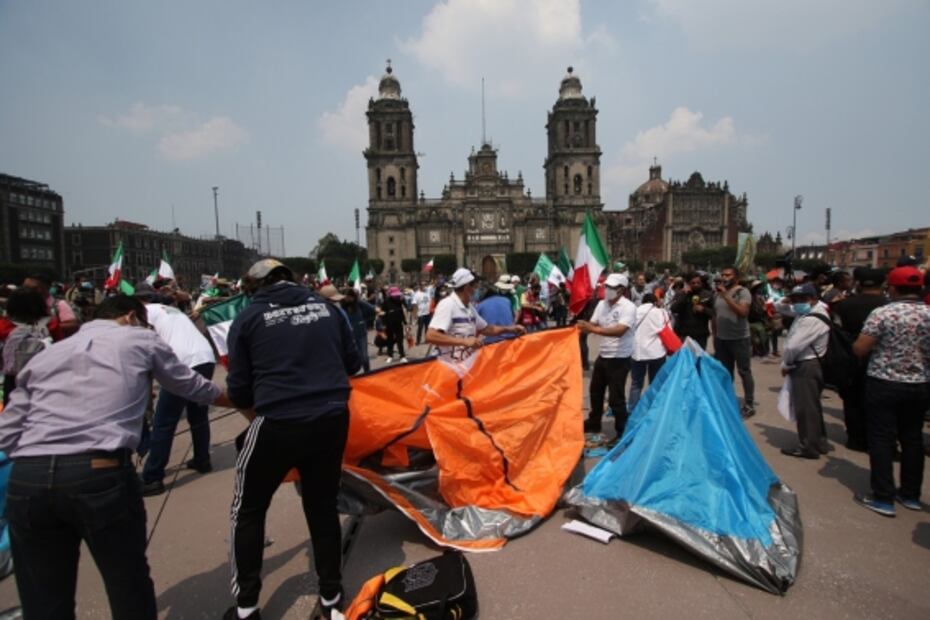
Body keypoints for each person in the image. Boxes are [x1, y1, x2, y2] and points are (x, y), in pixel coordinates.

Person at [0, 295, 228, 620]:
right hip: (99, 473)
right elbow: (190, 385)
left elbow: (8, 430)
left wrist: (39, 461)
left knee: (44, 598)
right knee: (126, 582)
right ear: (131, 317)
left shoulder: (48, 354)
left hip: (28, 479)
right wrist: (239, 401)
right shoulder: (140, 339)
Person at [224, 259, 361, 619]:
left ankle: (246, 607)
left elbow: (239, 390)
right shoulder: (329, 310)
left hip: (278, 421)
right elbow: (353, 364)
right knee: (322, 507)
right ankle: (331, 598)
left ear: (255, 286)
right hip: (331, 418)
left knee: (247, 510)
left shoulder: (248, 318)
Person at [852, 266, 930, 517]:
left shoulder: (883, 313)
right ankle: (910, 494)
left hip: (884, 382)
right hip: (919, 384)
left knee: (882, 439)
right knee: (913, 438)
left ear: (893, 289)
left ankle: (883, 497)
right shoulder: (928, 314)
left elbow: (861, 347)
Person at [139, 290, 219, 495]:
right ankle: (202, 459)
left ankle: (153, 477)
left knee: (164, 422)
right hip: (205, 357)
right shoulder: (172, 310)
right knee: (198, 414)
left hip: (181, 363)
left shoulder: (143, 312)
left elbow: (142, 346)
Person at [831, 268, 888, 451]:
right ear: (883, 284)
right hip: (882, 362)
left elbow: (836, 331)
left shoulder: (844, 305)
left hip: (851, 358)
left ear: (858, 283)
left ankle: (856, 439)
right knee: (880, 405)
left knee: (852, 401)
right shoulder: (888, 305)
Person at [577, 273, 636, 440]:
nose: (608, 290)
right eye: (607, 286)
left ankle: (621, 430)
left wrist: (593, 329)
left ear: (621, 290)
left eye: (612, 287)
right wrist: (581, 327)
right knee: (595, 391)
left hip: (620, 358)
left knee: (616, 398)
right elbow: (593, 323)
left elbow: (620, 330)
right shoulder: (602, 304)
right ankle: (594, 422)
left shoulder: (628, 307)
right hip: (604, 355)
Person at [426, 268, 524, 368]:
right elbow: (431, 336)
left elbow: (487, 329)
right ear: (467, 286)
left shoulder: (469, 308)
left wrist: (510, 329)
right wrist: (464, 341)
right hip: (448, 368)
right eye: (475, 286)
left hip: (464, 367)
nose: (476, 289)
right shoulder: (448, 304)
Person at [778, 284, 832, 459]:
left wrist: (786, 364)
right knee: (812, 406)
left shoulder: (812, 318)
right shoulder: (809, 311)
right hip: (809, 363)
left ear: (813, 298)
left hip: (806, 365)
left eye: (802, 299)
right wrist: (787, 299)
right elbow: (779, 307)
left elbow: (793, 346)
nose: (797, 303)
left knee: (805, 408)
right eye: (795, 300)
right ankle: (818, 442)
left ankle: (808, 446)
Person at [713, 266, 756, 418]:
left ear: (736, 277)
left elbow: (743, 312)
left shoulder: (742, 292)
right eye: (723, 274)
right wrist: (715, 335)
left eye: (728, 275)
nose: (724, 277)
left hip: (739, 339)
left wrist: (726, 297)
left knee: (744, 371)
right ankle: (727, 401)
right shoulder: (718, 294)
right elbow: (715, 315)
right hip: (722, 339)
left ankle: (749, 404)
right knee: (725, 372)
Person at [628, 292, 669, 411]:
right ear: (655, 302)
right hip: (657, 352)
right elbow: (668, 330)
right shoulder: (662, 312)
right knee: (655, 382)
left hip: (637, 352)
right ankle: (652, 409)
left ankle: (633, 409)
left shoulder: (635, 312)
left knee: (636, 383)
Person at [23, 274, 79, 340]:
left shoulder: (59, 305)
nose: (27, 291)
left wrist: (47, 328)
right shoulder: (24, 305)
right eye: (25, 288)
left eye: (32, 288)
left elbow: (73, 325)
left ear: (46, 287)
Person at [670, 272, 713, 349]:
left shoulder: (707, 295)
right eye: (693, 283)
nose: (696, 285)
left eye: (698, 283)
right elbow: (673, 309)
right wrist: (684, 295)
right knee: (685, 356)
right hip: (684, 334)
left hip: (700, 335)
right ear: (688, 284)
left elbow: (714, 313)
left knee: (699, 356)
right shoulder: (681, 294)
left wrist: (704, 309)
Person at [340, 288, 376, 373]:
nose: (347, 299)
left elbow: (372, 309)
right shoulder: (342, 307)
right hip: (349, 336)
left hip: (361, 334)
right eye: (345, 297)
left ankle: (367, 372)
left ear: (353, 297)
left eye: (349, 297)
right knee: (351, 358)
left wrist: (367, 319)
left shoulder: (359, 303)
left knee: (364, 357)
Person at [477, 276, 519, 344]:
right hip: (511, 339)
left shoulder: (480, 305)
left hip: (491, 342)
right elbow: (514, 316)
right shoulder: (507, 300)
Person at [382, 286, 408, 363]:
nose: (396, 296)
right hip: (389, 323)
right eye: (395, 295)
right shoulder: (386, 301)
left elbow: (403, 311)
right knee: (390, 340)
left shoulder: (399, 300)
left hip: (398, 323)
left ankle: (402, 356)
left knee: (400, 340)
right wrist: (383, 324)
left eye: (397, 295)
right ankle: (390, 356)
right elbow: (382, 313)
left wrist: (405, 322)